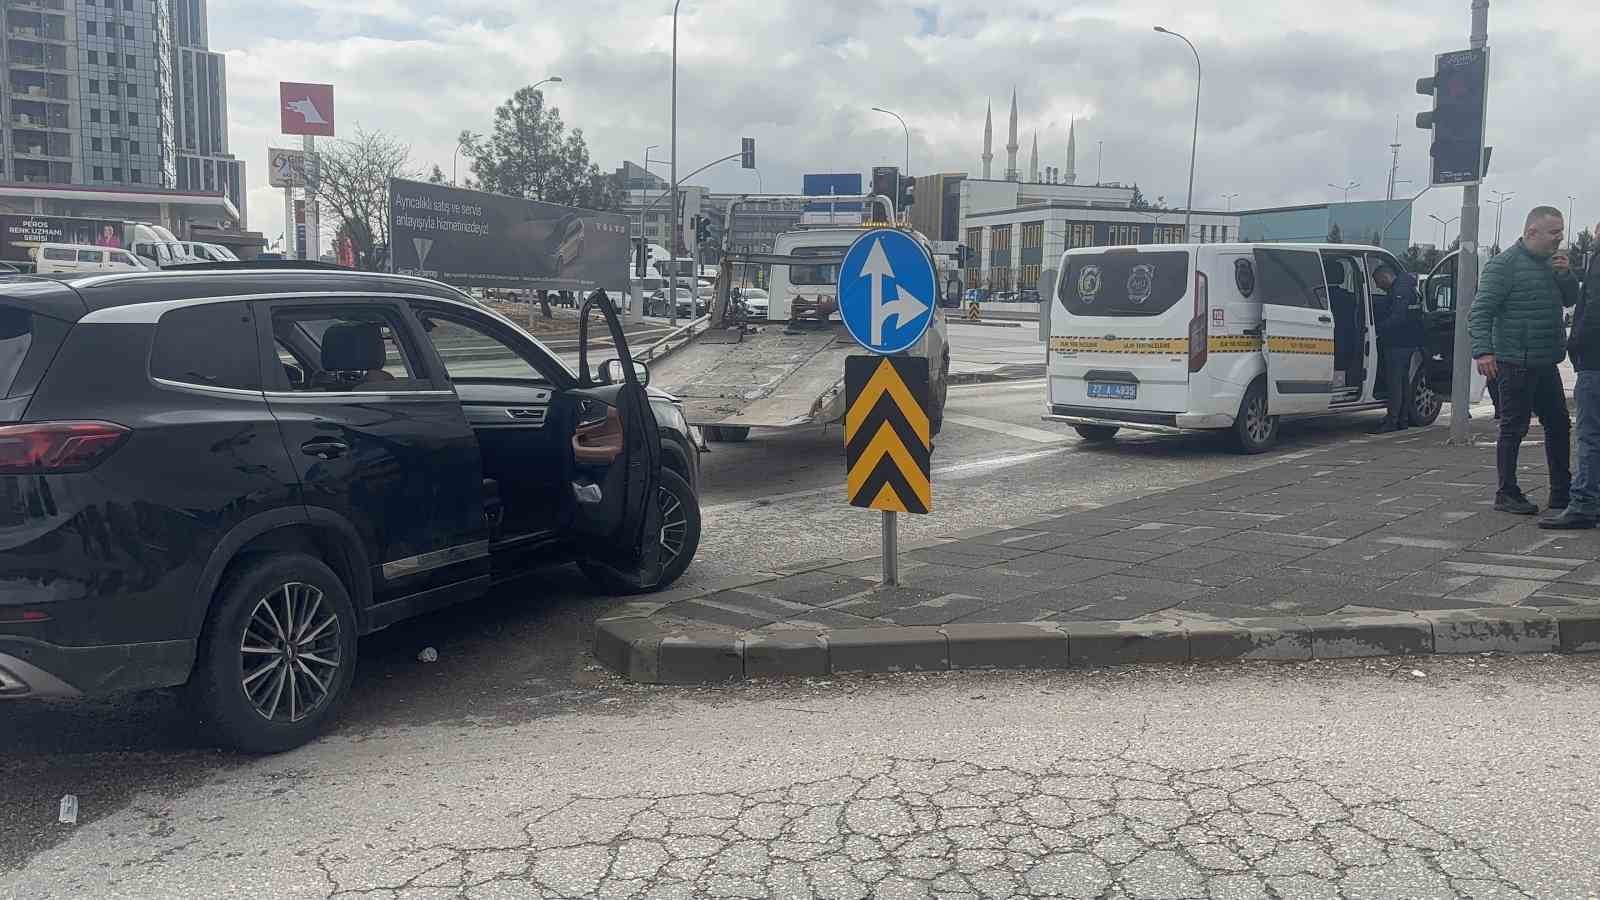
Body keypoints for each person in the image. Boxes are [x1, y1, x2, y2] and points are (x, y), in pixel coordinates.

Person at [1468, 206, 1581, 515]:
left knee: (1558, 424)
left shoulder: (1552, 264)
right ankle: (1507, 491)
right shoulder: (1504, 265)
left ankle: (1561, 491)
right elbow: (1480, 311)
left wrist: (1565, 274)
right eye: (1553, 232)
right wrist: (1483, 351)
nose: (1560, 238)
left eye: (1561, 230)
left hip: (1546, 360)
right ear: (1532, 232)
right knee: (1513, 427)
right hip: (1514, 360)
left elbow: (1571, 299)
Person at [1542, 225, 1600, 529]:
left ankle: (1584, 504)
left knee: (1590, 436)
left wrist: (1574, 345)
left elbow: (1593, 313)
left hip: (1595, 362)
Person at [1370, 263, 1425, 433]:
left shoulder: (1400, 289)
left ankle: (1392, 421)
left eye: (1378, 282)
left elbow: (1398, 316)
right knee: (1403, 382)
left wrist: (1376, 329)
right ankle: (1402, 419)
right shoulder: (1408, 286)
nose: (1378, 286)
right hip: (1407, 341)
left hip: (1397, 342)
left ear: (1384, 277)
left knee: (1395, 383)